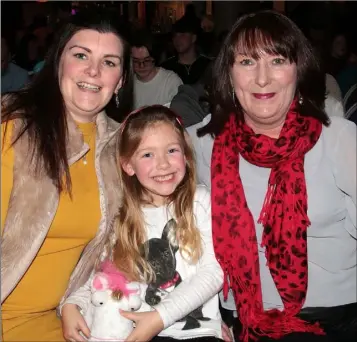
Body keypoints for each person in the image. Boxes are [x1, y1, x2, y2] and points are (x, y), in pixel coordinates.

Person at [187, 10, 356, 342]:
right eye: (247, 62)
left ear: (298, 70)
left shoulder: (339, 139)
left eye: (277, 60)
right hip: (242, 320)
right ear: (229, 74)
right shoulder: (198, 144)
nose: (262, 79)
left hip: (330, 319)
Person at [1, 9, 133, 341]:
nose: (93, 70)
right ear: (58, 62)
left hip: (68, 320)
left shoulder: (123, 148)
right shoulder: (12, 126)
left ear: (121, 81)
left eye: (109, 62)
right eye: (81, 55)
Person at [60, 105, 225, 342]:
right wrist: (73, 303)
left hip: (197, 333)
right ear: (128, 165)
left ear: (186, 156)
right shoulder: (121, 214)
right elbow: (102, 273)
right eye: (147, 154)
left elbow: (213, 272)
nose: (164, 164)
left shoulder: (200, 201)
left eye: (171, 150)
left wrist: (160, 316)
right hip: (135, 332)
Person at [131, 30, 182, 109]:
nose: (141, 66)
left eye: (147, 60)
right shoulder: (128, 83)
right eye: (136, 61)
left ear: (155, 58)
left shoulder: (171, 81)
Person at [161, 17, 212, 85]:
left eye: (182, 35)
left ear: (193, 38)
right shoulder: (166, 68)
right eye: (175, 35)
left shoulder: (208, 65)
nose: (177, 39)